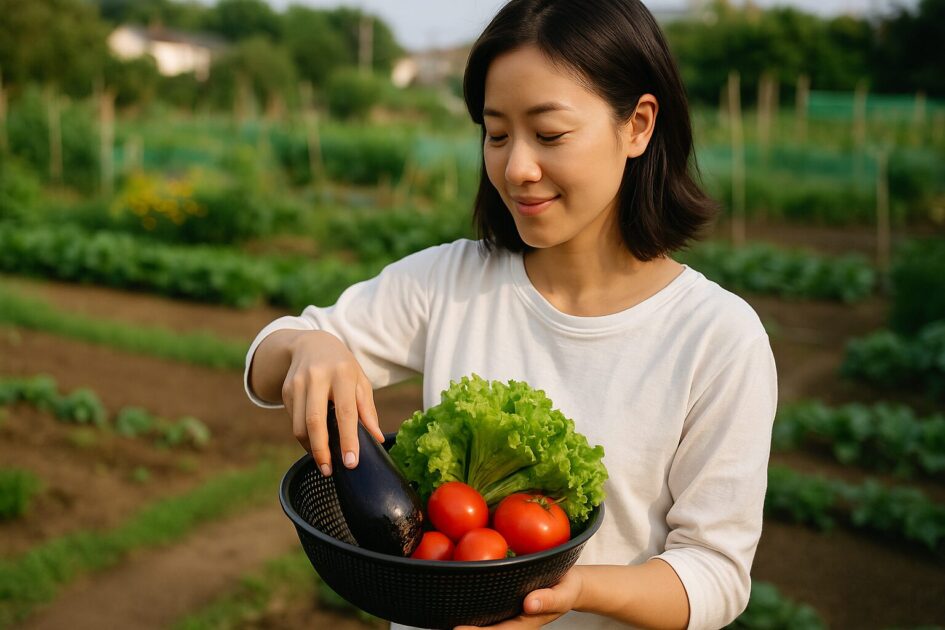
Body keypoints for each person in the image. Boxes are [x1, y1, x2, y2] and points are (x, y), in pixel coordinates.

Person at [244, 0, 777, 628]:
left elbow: (715, 574)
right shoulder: (451, 281)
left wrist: (572, 592)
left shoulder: (717, 338)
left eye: (548, 134)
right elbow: (265, 360)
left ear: (637, 125)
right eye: (496, 134)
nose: (516, 167)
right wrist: (310, 347)